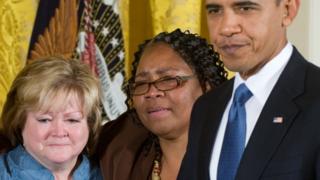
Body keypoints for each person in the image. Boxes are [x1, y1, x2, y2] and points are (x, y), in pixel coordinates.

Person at [178, 0, 320, 179]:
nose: (226, 28)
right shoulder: (205, 107)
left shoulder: (315, 100)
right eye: (215, 11)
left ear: (287, 11)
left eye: (245, 8)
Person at [96, 28, 228, 180]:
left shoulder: (238, 152)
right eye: (142, 83)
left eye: (168, 80)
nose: (152, 92)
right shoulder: (116, 146)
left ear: (207, 87)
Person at [0, 57, 103, 179]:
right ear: (19, 122)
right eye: (45, 120)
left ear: (90, 124)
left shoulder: (111, 173)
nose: (59, 132)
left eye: (72, 120)